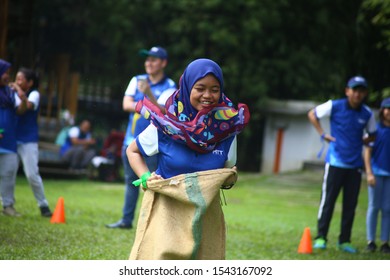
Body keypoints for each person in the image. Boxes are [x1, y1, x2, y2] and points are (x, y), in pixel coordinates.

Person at [126, 58, 250, 259]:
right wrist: (146, 177)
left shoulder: (227, 131)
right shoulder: (166, 127)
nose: (208, 96)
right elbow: (132, 151)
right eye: (200, 88)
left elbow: (227, 168)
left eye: (214, 89)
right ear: (187, 87)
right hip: (167, 215)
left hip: (205, 217)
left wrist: (229, 178)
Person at [106, 46, 176, 229]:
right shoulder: (136, 79)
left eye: (153, 59)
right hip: (130, 142)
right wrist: (150, 106)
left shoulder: (170, 86)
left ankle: (152, 225)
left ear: (163, 63)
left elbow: (164, 112)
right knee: (131, 181)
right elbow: (125, 104)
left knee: (153, 182)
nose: (149, 63)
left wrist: (147, 94)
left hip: (154, 145)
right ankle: (126, 221)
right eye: (147, 59)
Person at [307, 76, 377, 253]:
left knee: (350, 205)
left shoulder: (367, 113)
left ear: (365, 93)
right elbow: (312, 114)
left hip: (355, 166)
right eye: (354, 90)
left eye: (361, 91)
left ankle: (344, 240)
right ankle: (321, 237)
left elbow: (373, 134)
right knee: (328, 202)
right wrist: (323, 134)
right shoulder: (334, 105)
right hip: (335, 163)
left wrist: (360, 140)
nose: (357, 94)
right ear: (347, 91)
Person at [10, 67, 52, 217]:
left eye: (21, 79)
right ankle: (7, 204)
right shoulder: (10, 93)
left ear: (30, 83)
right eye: (16, 78)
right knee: (9, 172)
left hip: (28, 139)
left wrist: (16, 88)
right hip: (12, 138)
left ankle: (43, 205)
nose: (17, 81)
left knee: (32, 174)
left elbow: (26, 107)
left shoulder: (34, 94)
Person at [0, 59, 27, 217]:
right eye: (5, 73)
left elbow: (20, 111)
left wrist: (23, 98)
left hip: (9, 141)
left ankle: (8, 205)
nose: (7, 76)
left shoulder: (10, 93)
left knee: (9, 174)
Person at [364, 97, 390, 253]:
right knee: (374, 207)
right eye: (386, 108)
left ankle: (385, 242)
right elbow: (367, 152)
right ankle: (370, 241)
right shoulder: (375, 130)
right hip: (376, 173)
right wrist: (369, 173)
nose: (389, 112)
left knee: (387, 209)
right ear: (382, 111)